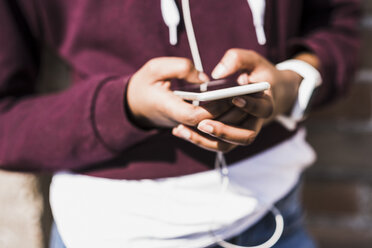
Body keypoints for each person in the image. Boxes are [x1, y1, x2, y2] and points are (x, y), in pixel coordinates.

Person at [0, 0, 360, 247]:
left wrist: (288, 86)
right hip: (114, 231)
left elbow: (334, 23)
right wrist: (124, 107)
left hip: (276, 215)